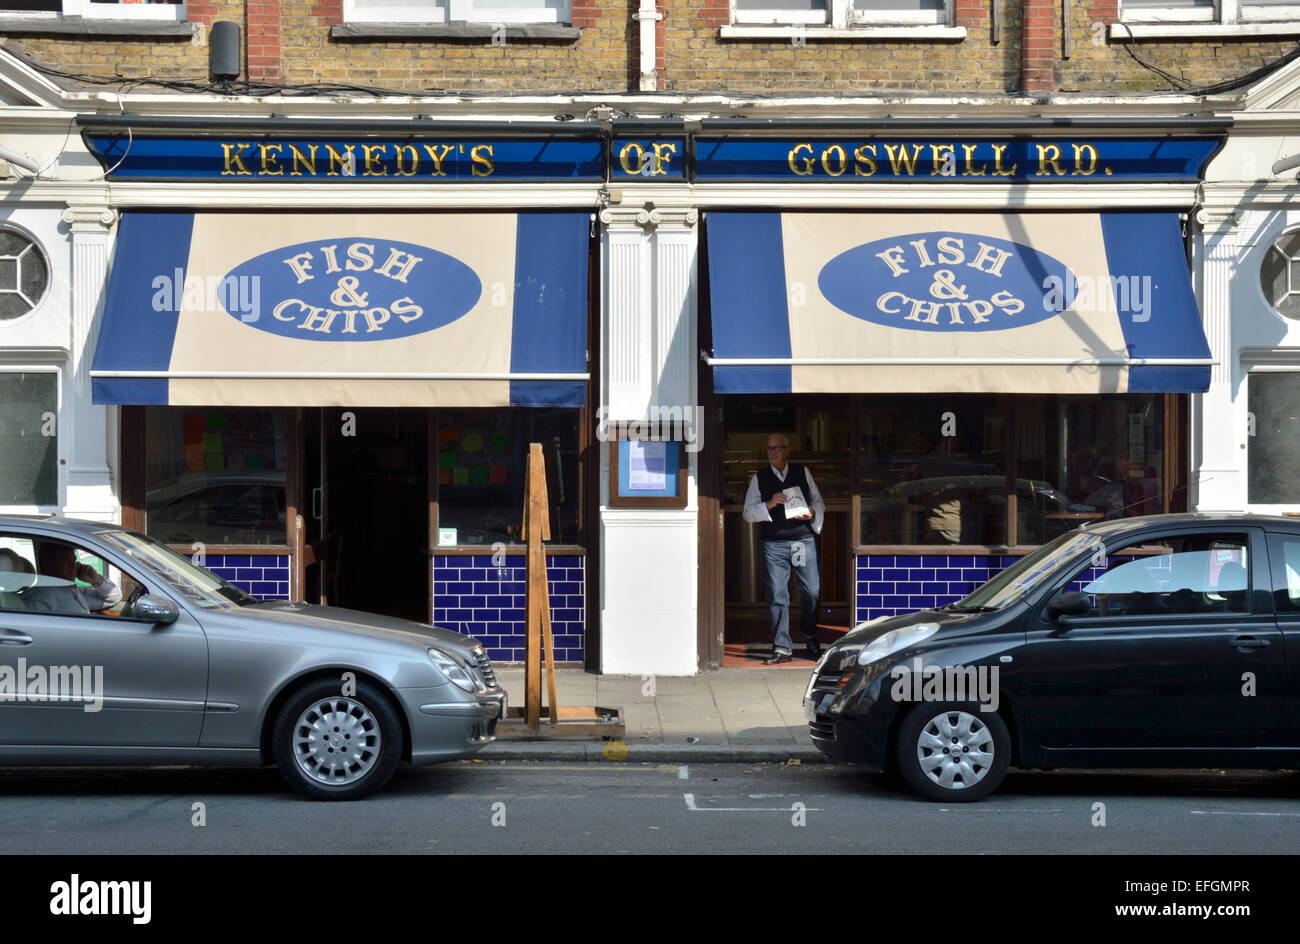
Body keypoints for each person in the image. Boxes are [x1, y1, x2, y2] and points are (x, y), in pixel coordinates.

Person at [743, 432, 825, 664]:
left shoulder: (802, 472)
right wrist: (769, 504)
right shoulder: (760, 478)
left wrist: (812, 512)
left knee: (812, 591)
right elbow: (748, 513)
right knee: (778, 596)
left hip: (801, 541)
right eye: (769, 449)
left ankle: (810, 636)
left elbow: (818, 502)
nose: (773, 452)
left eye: (777, 448)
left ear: (787, 450)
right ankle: (782, 647)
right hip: (774, 544)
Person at [24, 541, 121, 615]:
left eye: (73, 560)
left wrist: (96, 580)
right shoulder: (43, 597)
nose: (73, 565)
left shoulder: (71, 591)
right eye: (65, 561)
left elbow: (113, 598)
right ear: (47, 566)